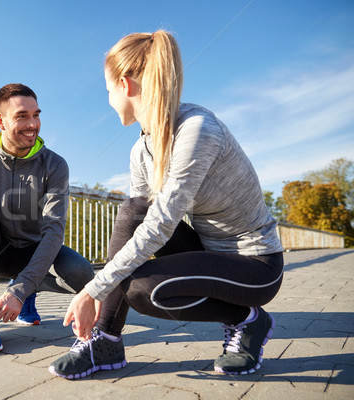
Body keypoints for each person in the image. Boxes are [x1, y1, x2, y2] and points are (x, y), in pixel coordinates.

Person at [49, 31, 284, 378]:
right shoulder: (140, 150)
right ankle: (105, 340)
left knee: (142, 290)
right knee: (132, 210)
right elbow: (140, 222)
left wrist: (91, 290)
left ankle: (249, 320)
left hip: (255, 265)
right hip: (208, 251)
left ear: (126, 85)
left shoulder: (197, 130)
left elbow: (160, 226)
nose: (109, 100)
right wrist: (100, 288)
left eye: (108, 90)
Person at [0, 83, 94, 354]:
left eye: (36, 115)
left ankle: (27, 292)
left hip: (33, 254)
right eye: (22, 116)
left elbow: (54, 232)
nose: (33, 124)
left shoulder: (55, 165)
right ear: (1, 121)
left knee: (82, 273)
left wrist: (19, 290)